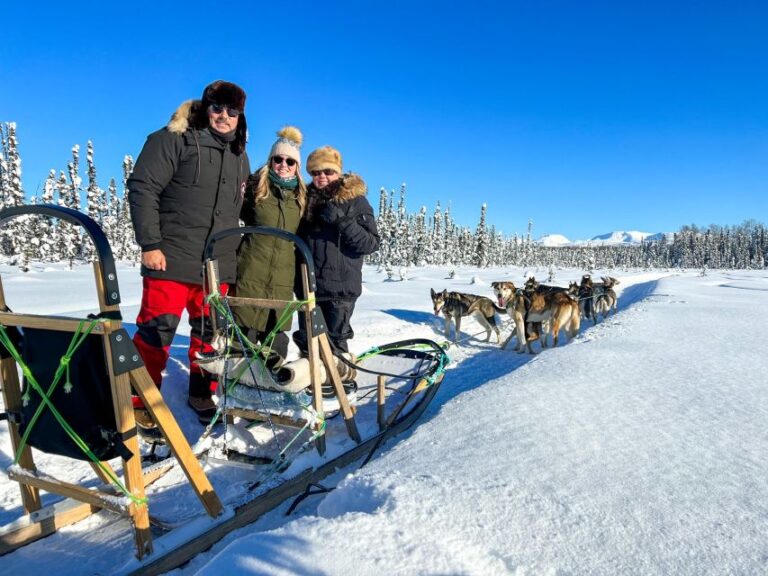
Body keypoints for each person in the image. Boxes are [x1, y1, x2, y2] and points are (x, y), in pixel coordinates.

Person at [127, 80, 250, 428]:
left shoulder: (239, 155)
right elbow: (143, 187)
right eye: (217, 108)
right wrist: (150, 244)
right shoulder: (174, 139)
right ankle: (141, 400)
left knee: (209, 336)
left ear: (240, 116)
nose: (224, 116)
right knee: (155, 332)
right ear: (205, 107)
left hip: (217, 267)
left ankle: (201, 391)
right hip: (171, 259)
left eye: (232, 111)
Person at [293, 145, 380, 382]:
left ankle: (341, 385)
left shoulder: (355, 201)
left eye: (328, 172)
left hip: (340, 289)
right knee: (308, 341)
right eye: (317, 172)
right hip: (309, 287)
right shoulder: (304, 200)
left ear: (338, 173)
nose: (322, 177)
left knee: (335, 343)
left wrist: (341, 221)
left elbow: (371, 243)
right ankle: (315, 387)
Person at [232, 127, 306, 370]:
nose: (283, 165)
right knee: (244, 334)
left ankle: (270, 386)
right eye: (278, 159)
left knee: (277, 337)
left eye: (290, 161)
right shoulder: (256, 188)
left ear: (297, 166)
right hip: (251, 271)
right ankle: (238, 387)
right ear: (271, 160)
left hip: (282, 279)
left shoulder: (302, 198)